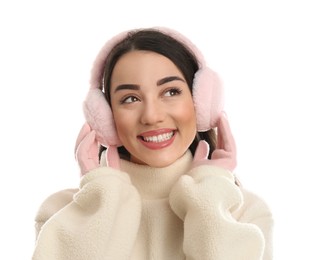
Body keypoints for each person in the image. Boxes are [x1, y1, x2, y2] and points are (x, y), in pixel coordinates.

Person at [32, 27, 273, 260]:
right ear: (106, 116)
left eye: (171, 92)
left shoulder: (244, 213)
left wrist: (209, 195)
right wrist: (103, 197)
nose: (151, 116)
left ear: (201, 102)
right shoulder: (63, 214)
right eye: (130, 98)